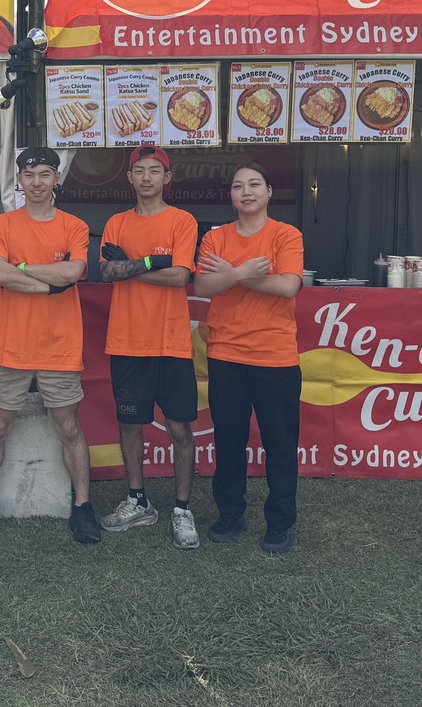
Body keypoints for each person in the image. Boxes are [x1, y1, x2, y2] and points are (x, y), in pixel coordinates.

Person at [0, 146, 100, 544]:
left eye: (45, 174)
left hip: (59, 344)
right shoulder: (0, 225)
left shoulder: (74, 226)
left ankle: (83, 507)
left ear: (57, 179)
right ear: (19, 180)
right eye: (29, 175)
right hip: (10, 343)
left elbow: (73, 271)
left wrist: (23, 268)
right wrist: (48, 286)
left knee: (69, 426)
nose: (37, 182)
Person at [192, 161, 304, 555]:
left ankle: (281, 522)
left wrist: (233, 274)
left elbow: (288, 286)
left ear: (269, 192)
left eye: (255, 184)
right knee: (229, 441)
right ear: (231, 195)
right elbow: (204, 285)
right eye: (238, 186)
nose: (247, 192)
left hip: (276, 356)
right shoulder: (215, 237)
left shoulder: (286, 235)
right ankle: (231, 513)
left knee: (280, 445)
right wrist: (243, 272)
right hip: (226, 354)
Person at [96, 145, 200, 549]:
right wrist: (156, 262)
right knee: (130, 424)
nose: (146, 178)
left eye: (155, 171)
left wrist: (132, 266)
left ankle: (182, 509)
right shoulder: (116, 222)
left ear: (167, 178)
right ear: (129, 177)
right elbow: (107, 272)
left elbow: (180, 277)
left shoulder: (182, 220)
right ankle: (137, 500)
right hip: (127, 339)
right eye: (139, 171)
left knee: (179, 427)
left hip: (171, 341)